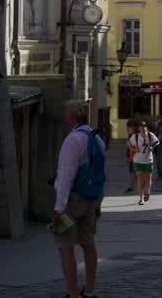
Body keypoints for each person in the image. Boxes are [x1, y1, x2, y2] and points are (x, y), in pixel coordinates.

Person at [51, 100, 106, 298]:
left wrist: (58, 208)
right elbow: (101, 173)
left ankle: (72, 293)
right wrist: (99, 202)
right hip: (91, 199)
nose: (64, 116)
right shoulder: (97, 138)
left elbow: (66, 175)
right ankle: (89, 291)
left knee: (65, 246)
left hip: (72, 201)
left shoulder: (72, 140)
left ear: (72, 116)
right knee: (88, 244)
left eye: (66, 112)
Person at [129, 121, 159, 205]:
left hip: (148, 160)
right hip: (138, 161)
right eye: (141, 126)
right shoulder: (135, 136)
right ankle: (141, 199)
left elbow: (157, 142)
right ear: (138, 128)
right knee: (140, 180)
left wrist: (152, 147)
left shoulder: (150, 135)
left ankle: (147, 192)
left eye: (144, 126)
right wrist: (135, 149)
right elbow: (129, 144)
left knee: (148, 179)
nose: (143, 127)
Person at [123, 119, 140, 194]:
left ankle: (134, 188)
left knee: (134, 172)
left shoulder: (136, 137)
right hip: (132, 157)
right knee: (133, 172)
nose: (127, 129)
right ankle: (133, 187)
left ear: (134, 128)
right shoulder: (131, 136)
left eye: (128, 127)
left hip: (135, 157)